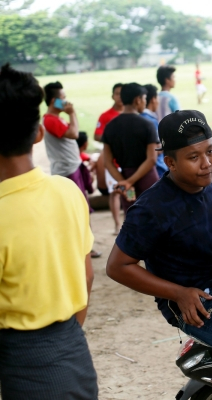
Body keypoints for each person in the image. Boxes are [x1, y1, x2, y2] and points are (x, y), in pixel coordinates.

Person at [105, 110, 212, 400]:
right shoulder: (150, 209)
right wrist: (179, 293)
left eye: (209, 151)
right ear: (170, 162)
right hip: (198, 300)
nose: (207, 163)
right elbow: (118, 266)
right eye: (193, 157)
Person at [0, 63, 97, 399]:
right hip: (73, 352)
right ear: (39, 132)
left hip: (23, 363)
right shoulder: (67, 191)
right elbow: (86, 278)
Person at [43, 81, 101, 257]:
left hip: (71, 167)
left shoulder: (56, 118)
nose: (67, 102)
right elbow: (74, 134)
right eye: (63, 98)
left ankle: (86, 245)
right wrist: (73, 113)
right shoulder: (50, 120)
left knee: (81, 206)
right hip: (67, 170)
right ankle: (84, 248)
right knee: (78, 208)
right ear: (54, 101)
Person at [102, 83, 159, 213]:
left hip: (125, 180)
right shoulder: (147, 125)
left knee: (132, 214)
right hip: (147, 178)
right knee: (154, 214)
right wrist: (131, 181)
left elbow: (107, 162)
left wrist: (124, 182)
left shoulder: (110, 126)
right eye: (144, 99)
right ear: (137, 100)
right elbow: (152, 159)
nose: (145, 103)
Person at [94, 83, 123, 234]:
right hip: (112, 161)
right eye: (117, 93)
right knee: (115, 192)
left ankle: (128, 220)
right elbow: (97, 135)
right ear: (113, 96)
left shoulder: (130, 114)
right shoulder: (106, 116)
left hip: (127, 161)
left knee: (128, 190)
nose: (120, 96)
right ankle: (117, 223)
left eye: (122, 93)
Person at [141, 84, 168, 177]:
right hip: (158, 169)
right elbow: (157, 149)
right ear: (153, 99)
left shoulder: (139, 119)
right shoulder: (150, 121)